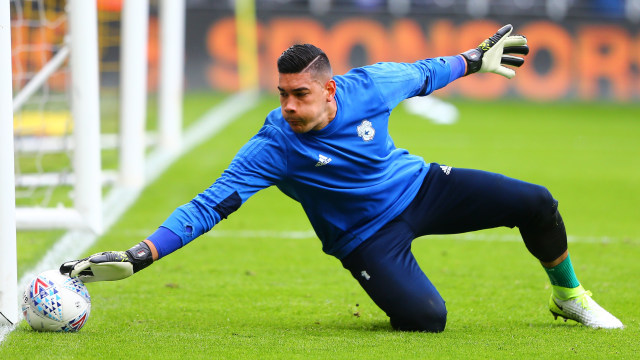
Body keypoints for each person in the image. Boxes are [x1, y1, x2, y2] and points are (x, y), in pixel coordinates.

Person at [60, 24, 623, 332]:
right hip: (364, 237)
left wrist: (475, 60)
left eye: (299, 94)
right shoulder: (273, 146)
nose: (288, 105)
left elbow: (428, 72)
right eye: (281, 93)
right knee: (428, 320)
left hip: (421, 188)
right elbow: (209, 205)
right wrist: (142, 253)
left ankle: (568, 297)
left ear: (331, 90)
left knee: (536, 202)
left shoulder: (372, 85)